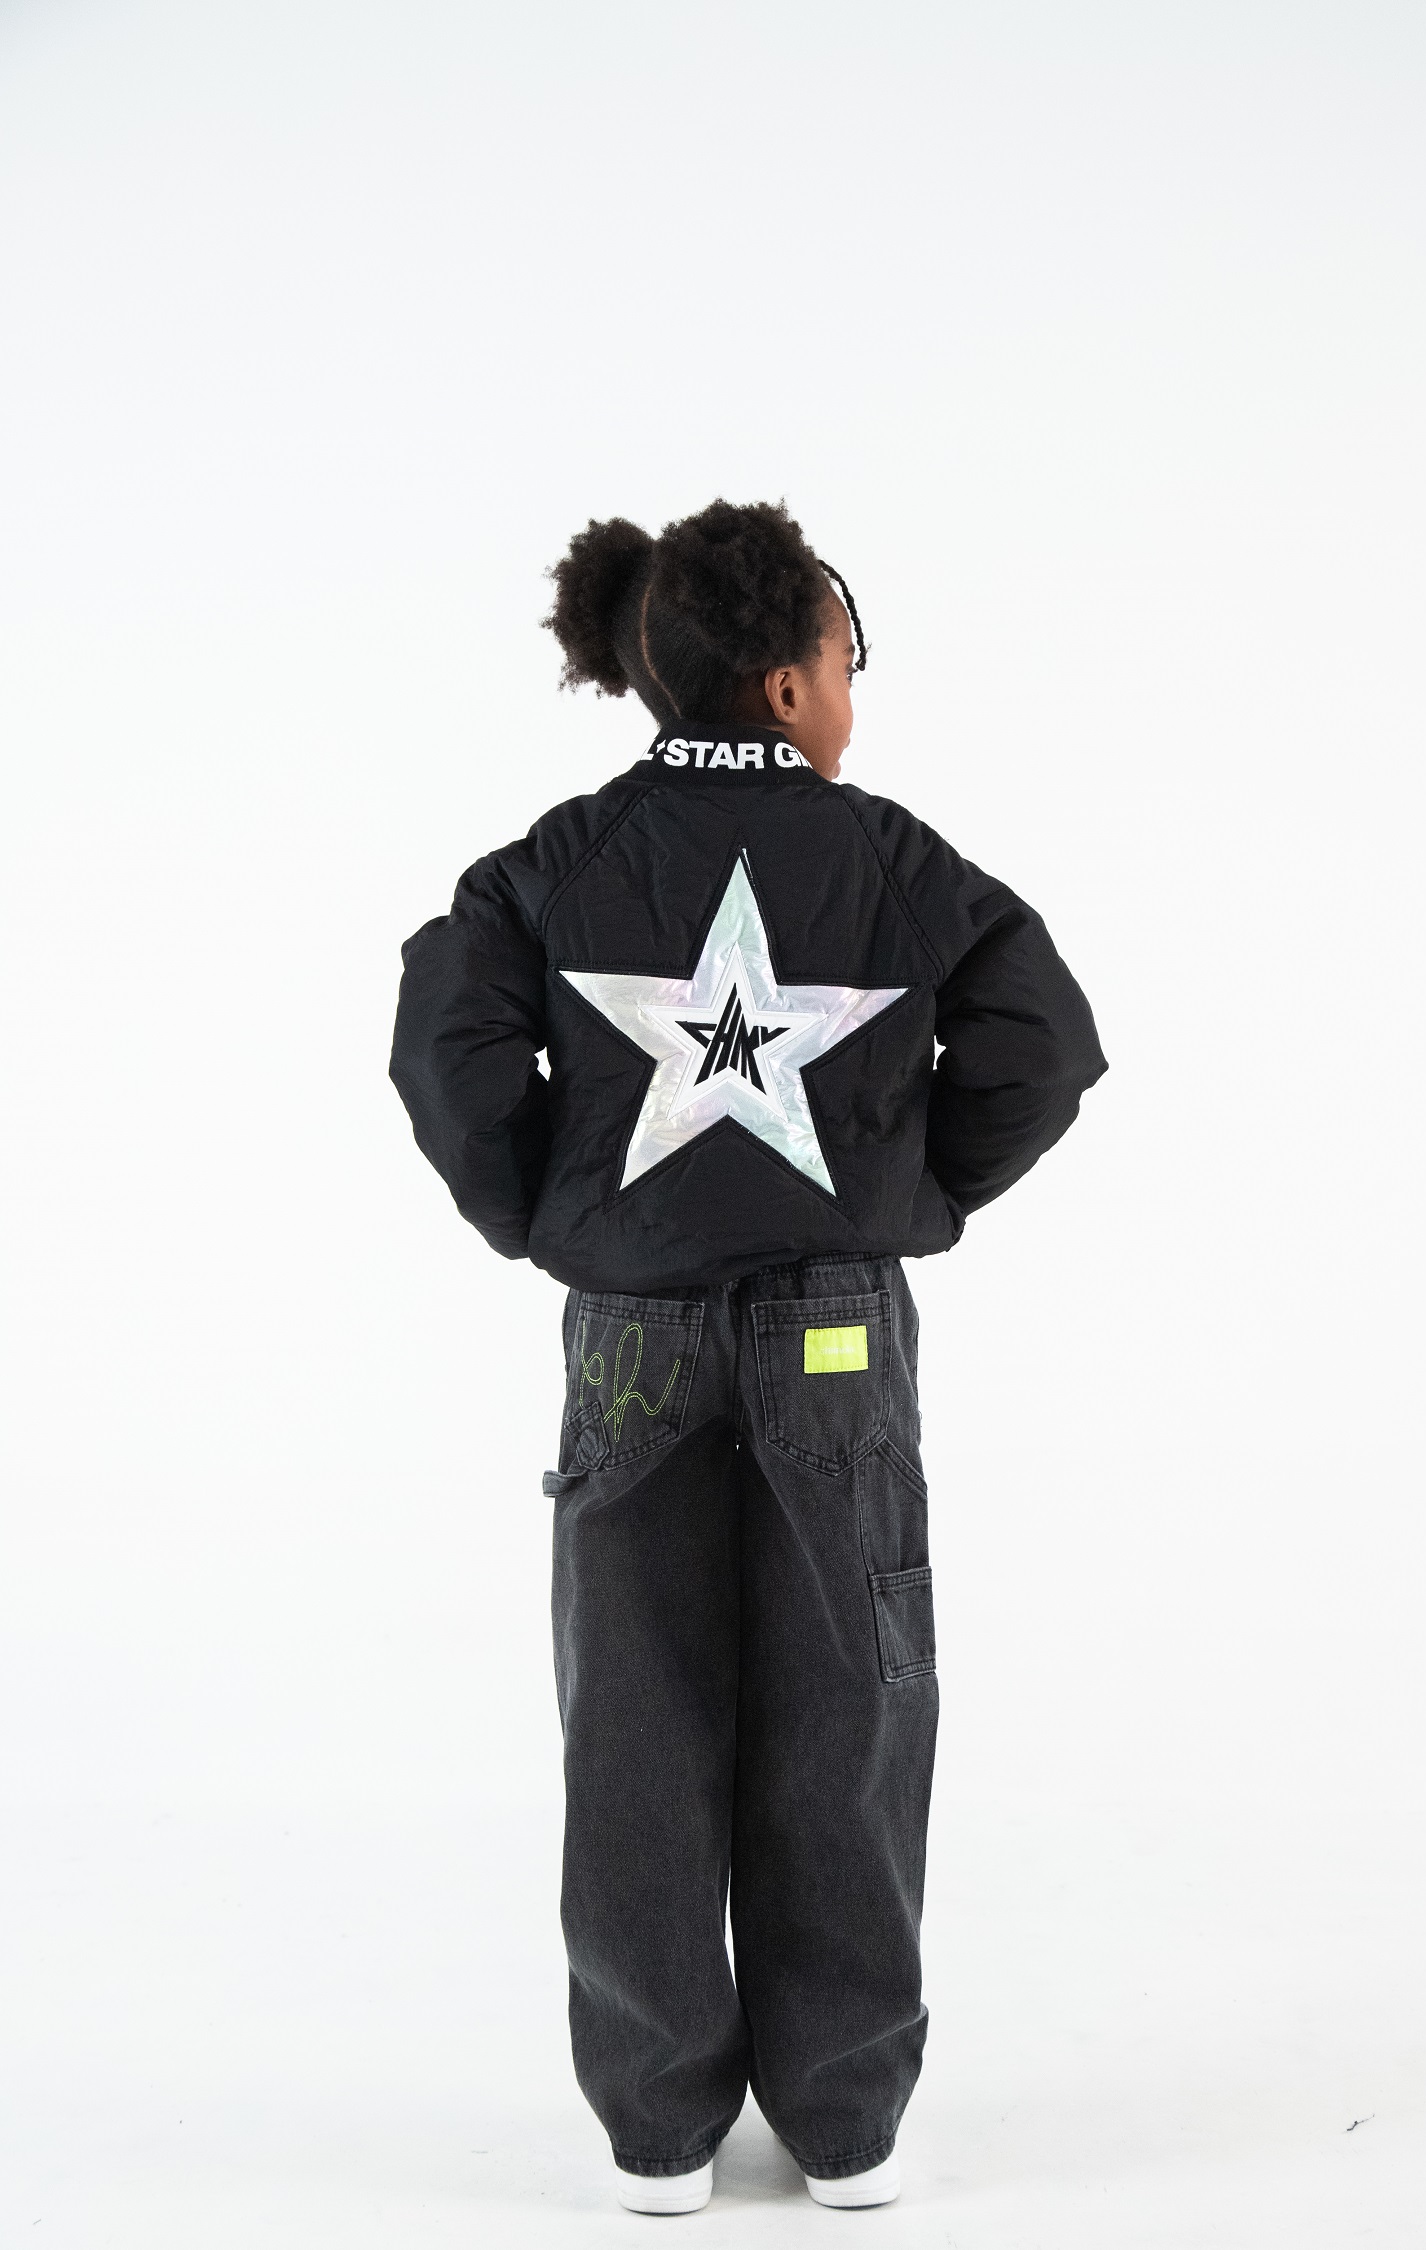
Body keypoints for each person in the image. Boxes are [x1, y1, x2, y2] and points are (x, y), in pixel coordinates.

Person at [389, 499, 1106, 2213]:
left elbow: (443, 1036)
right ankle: (847, 2123)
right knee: (852, 1699)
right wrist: (910, 1187)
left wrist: (550, 1208)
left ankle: (658, 2130)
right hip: (836, 1330)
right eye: (848, 662)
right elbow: (1044, 1036)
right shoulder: (894, 861)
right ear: (787, 685)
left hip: (626, 1336)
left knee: (633, 1707)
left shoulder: (556, 859)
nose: (854, 693)